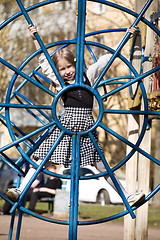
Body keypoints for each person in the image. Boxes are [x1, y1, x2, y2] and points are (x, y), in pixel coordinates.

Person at [6, 24, 145, 207]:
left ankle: (126, 196)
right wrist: (35, 38)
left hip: (87, 127)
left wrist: (126, 37)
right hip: (66, 126)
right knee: (44, 159)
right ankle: (21, 190)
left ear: (76, 63)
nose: (67, 72)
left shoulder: (88, 75)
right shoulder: (59, 82)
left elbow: (107, 59)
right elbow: (45, 63)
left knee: (102, 166)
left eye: (69, 66)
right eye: (62, 69)